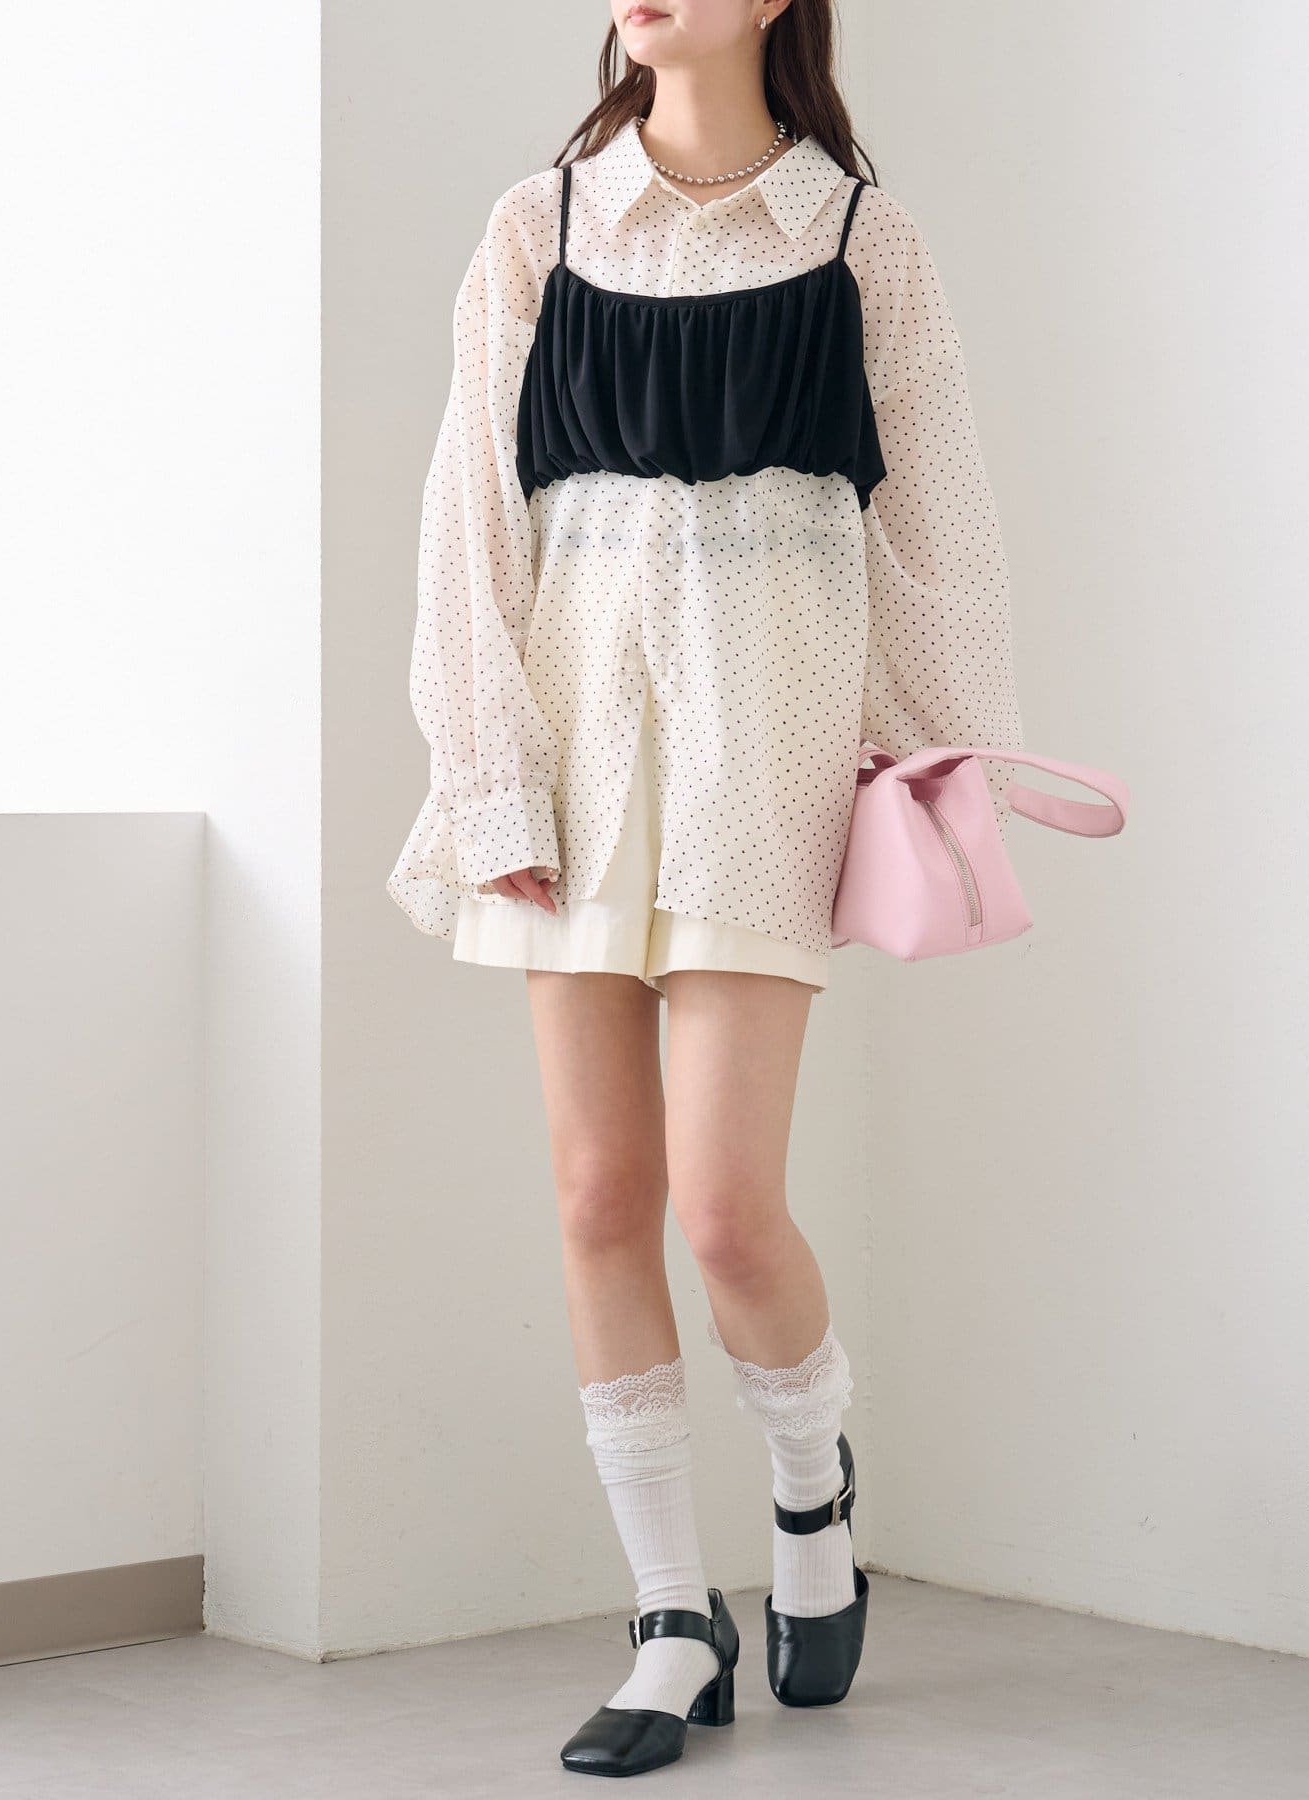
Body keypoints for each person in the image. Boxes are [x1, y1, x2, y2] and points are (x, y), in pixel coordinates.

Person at [387, 0, 1023, 1777]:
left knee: (731, 1212)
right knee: (602, 1194)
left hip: (767, 753)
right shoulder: (541, 225)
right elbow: (468, 520)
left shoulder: (859, 237)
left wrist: (943, 760)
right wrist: (486, 769)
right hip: (573, 752)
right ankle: (674, 1616)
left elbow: (942, 528)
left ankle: (813, 1492)